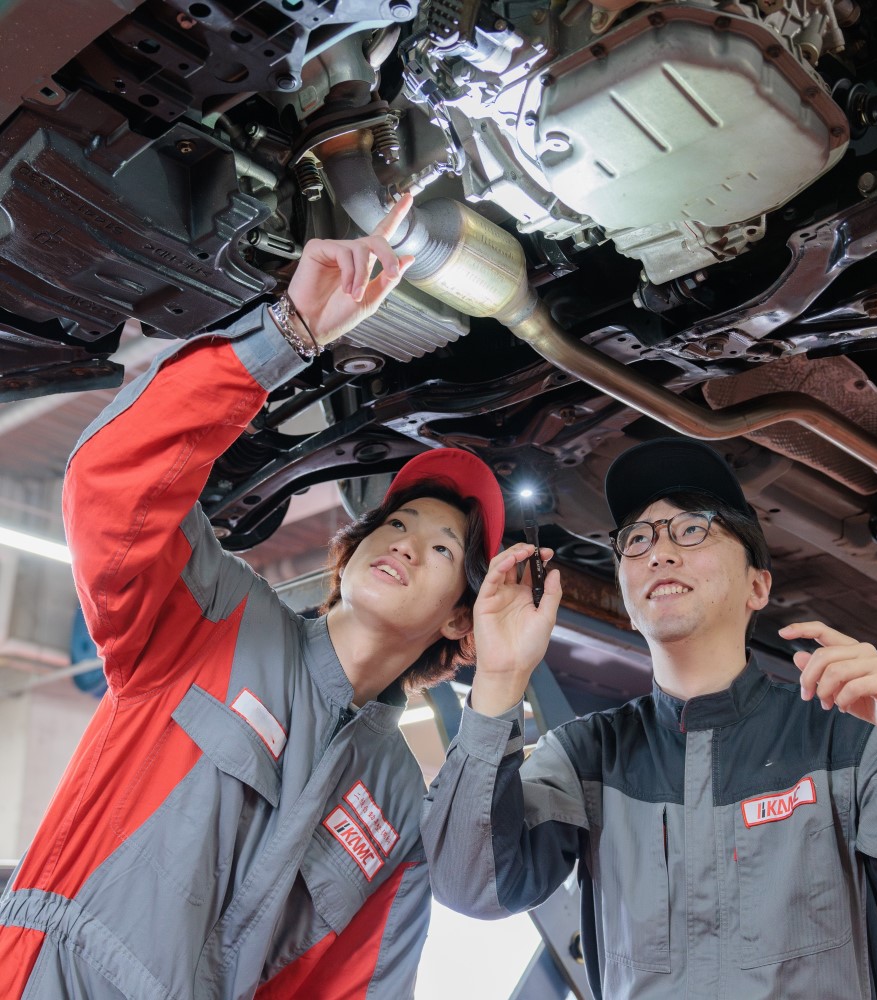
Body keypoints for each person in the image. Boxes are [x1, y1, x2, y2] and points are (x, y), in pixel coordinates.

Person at [0, 193, 507, 999]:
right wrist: (287, 334)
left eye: (443, 548)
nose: (408, 541)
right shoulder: (219, 618)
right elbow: (112, 483)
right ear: (347, 556)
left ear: (458, 618)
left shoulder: (398, 810)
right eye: (399, 521)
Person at [421, 436, 877, 1000]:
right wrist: (498, 679)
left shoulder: (845, 748)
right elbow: (474, 886)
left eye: (693, 529)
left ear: (758, 585)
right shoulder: (586, 756)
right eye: (638, 539)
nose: (660, 552)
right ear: (625, 590)